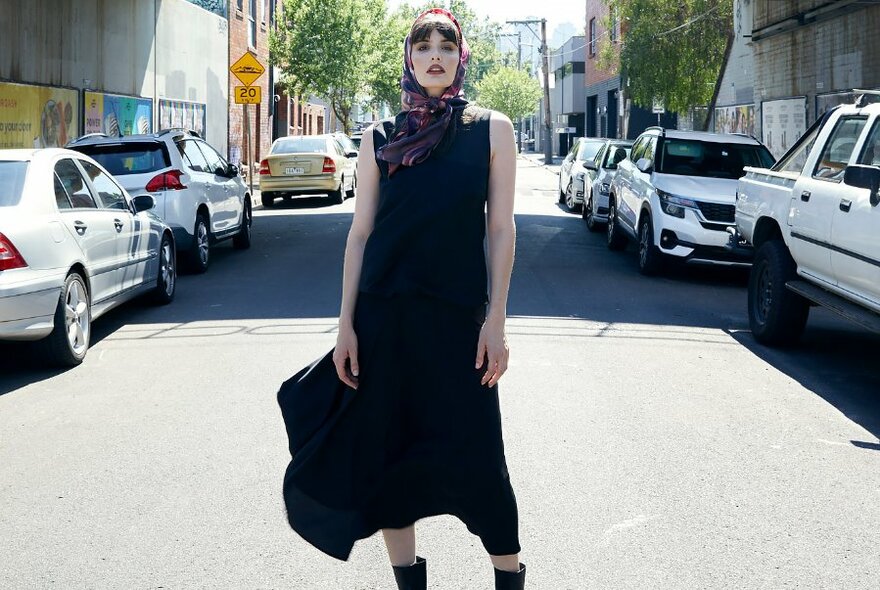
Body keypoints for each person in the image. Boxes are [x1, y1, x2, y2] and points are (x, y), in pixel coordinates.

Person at [278, 8, 525, 589]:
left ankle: (509, 577)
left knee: (482, 462)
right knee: (392, 465)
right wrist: (346, 325)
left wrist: (497, 319)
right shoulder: (379, 137)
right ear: (409, 59)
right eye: (422, 45)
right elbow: (360, 233)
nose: (434, 54)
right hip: (384, 323)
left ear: (460, 57)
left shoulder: (492, 129)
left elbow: (501, 229)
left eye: (446, 44)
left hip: (457, 325)